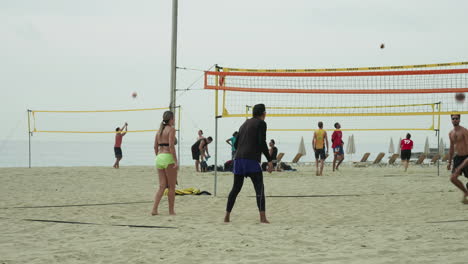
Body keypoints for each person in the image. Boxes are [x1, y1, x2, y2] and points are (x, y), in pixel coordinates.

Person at [225, 103, 273, 224]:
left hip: (238, 160)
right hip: (251, 160)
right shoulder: (261, 123)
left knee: (235, 189)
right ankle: (263, 218)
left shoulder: (244, 124)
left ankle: (226, 216)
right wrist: (270, 160)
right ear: (263, 113)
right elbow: (262, 142)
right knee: (259, 189)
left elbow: (235, 145)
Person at [151, 111, 178, 215]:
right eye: (174, 118)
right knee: (171, 187)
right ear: (170, 119)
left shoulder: (159, 131)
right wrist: (175, 161)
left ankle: (154, 209)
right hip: (167, 157)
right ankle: (171, 211)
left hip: (159, 158)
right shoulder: (171, 129)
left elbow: (155, 146)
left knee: (162, 186)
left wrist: (158, 156)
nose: (174, 120)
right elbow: (171, 146)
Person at [447, 114, 468, 204]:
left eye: (456, 118)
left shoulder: (464, 131)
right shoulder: (451, 133)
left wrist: (461, 166)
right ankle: (466, 192)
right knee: (453, 178)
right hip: (458, 158)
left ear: (459, 120)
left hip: (467, 156)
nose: (455, 120)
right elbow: (452, 148)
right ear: (451, 120)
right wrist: (449, 161)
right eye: (453, 118)